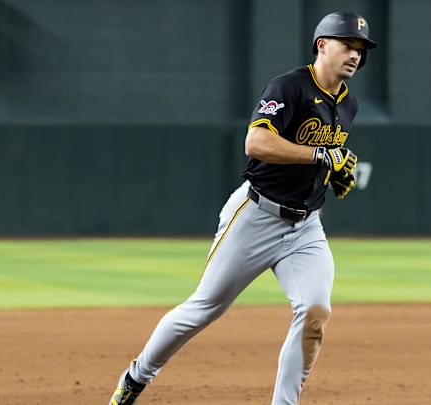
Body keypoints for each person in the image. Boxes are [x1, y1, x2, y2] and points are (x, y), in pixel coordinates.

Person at [109, 11, 376, 405]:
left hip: (305, 228)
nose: (355, 54)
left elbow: (318, 161)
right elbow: (256, 144)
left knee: (315, 312)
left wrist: (334, 174)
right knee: (204, 308)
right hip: (256, 216)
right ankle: (136, 376)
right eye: (347, 44)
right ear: (322, 45)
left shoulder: (348, 104)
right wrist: (323, 155)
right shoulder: (288, 87)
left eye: (360, 49)